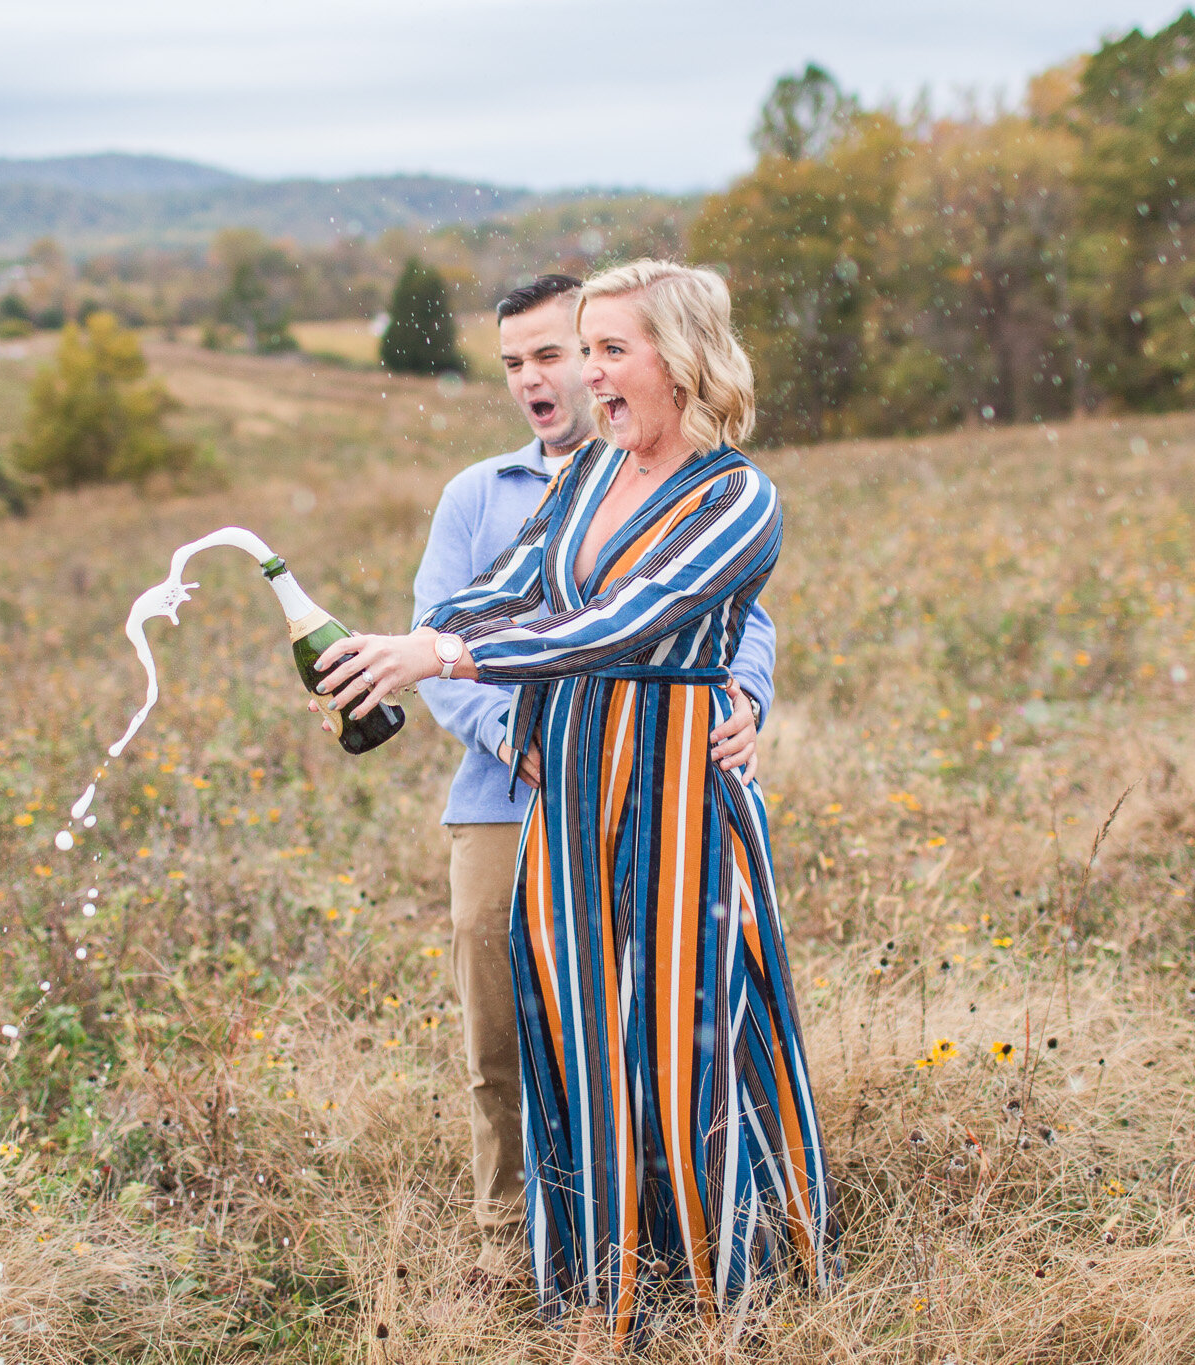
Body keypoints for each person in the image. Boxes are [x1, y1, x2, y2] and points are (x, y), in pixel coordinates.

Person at [316, 260, 833, 1343]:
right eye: (581, 350)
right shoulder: (590, 476)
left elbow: (617, 626)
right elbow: (522, 586)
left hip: (674, 787)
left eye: (611, 350)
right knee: (581, 1031)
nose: (591, 375)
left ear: (678, 357)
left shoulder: (740, 497)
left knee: (688, 1030)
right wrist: (407, 641)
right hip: (569, 791)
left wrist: (448, 654)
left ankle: (717, 1284)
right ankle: (604, 1285)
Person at [410, 273, 776, 1288]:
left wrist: (742, 703)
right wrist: (508, 727)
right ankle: (523, 1244)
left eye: (563, 353)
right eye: (516, 363)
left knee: (663, 1023)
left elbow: (714, 620)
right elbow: (459, 615)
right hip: (510, 790)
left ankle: (677, 1247)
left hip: (655, 791)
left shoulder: (715, 489)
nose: (541, 377)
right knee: (512, 1031)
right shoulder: (487, 494)